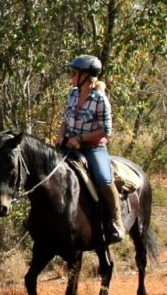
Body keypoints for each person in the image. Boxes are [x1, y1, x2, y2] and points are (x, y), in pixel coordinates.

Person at [55, 54, 125, 243]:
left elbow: (106, 131)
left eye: (74, 73)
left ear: (86, 76)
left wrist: (81, 138)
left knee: (103, 178)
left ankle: (115, 220)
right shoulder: (72, 94)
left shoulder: (100, 100)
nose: (71, 77)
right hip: (69, 144)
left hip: (93, 149)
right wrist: (61, 135)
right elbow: (65, 119)